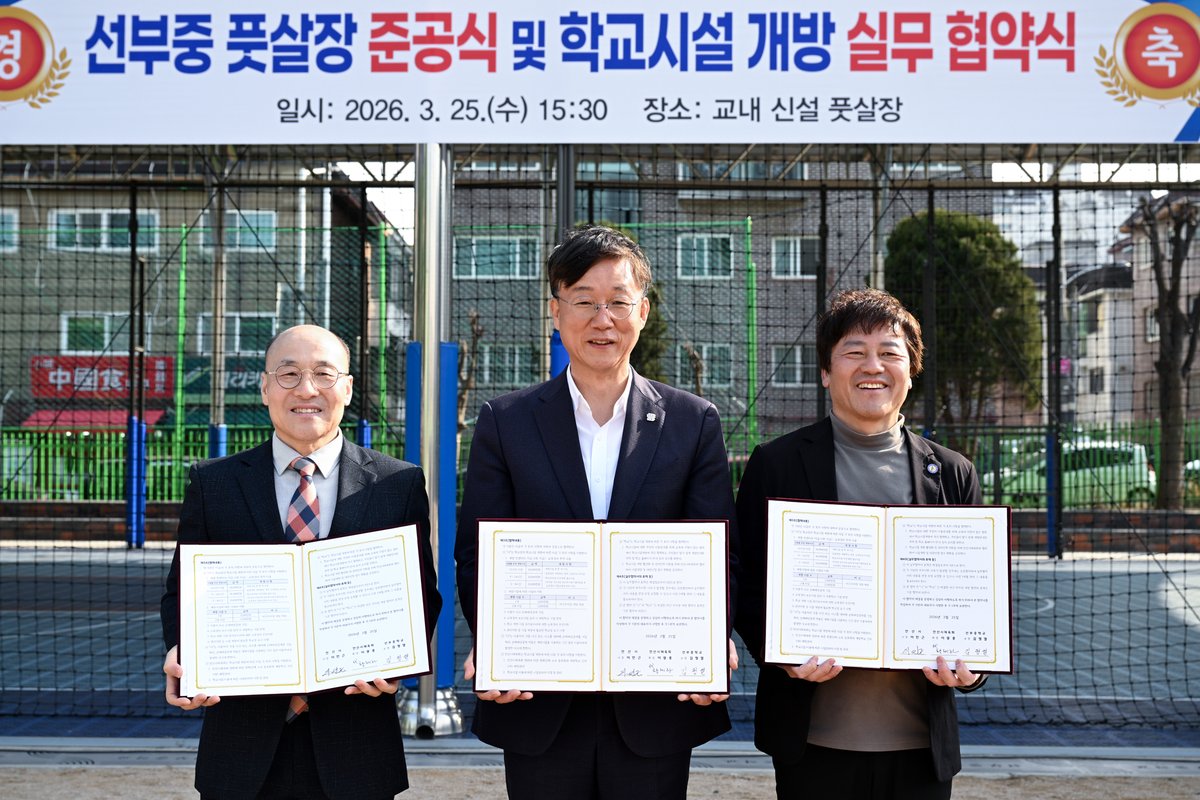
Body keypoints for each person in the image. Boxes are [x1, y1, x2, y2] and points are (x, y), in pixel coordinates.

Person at [454, 225, 739, 800]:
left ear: (643, 312)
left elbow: (717, 551)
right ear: (556, 311)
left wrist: (713, 636)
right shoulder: (506, 422)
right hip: (538, 694)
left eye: (617, 302)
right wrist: (497, 640)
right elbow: (478, 552)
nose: (601, 319)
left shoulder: (693, 422)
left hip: (656, 695)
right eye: (583, 301)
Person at [160, 324, 441, 800]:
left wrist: (397, 663)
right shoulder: (214, 483)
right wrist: (181, 649)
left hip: (356, 741)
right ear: (265, 388)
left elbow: (421, 593)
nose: (307, 389)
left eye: (324, 374)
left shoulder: (397, 483)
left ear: (347, 388)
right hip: (241, 745)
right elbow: (181, 591)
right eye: (288, 374)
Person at [735, 288, 987, 800]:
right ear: (826, 372)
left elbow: (977, 599)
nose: (873, 366)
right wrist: (779, 653)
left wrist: (973, 668)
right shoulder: (776, 464)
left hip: (921, 748)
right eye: (854, 351)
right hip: (810, 744)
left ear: (911, 371)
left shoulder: (953, 472)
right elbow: (744, 582)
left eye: (890, 352)